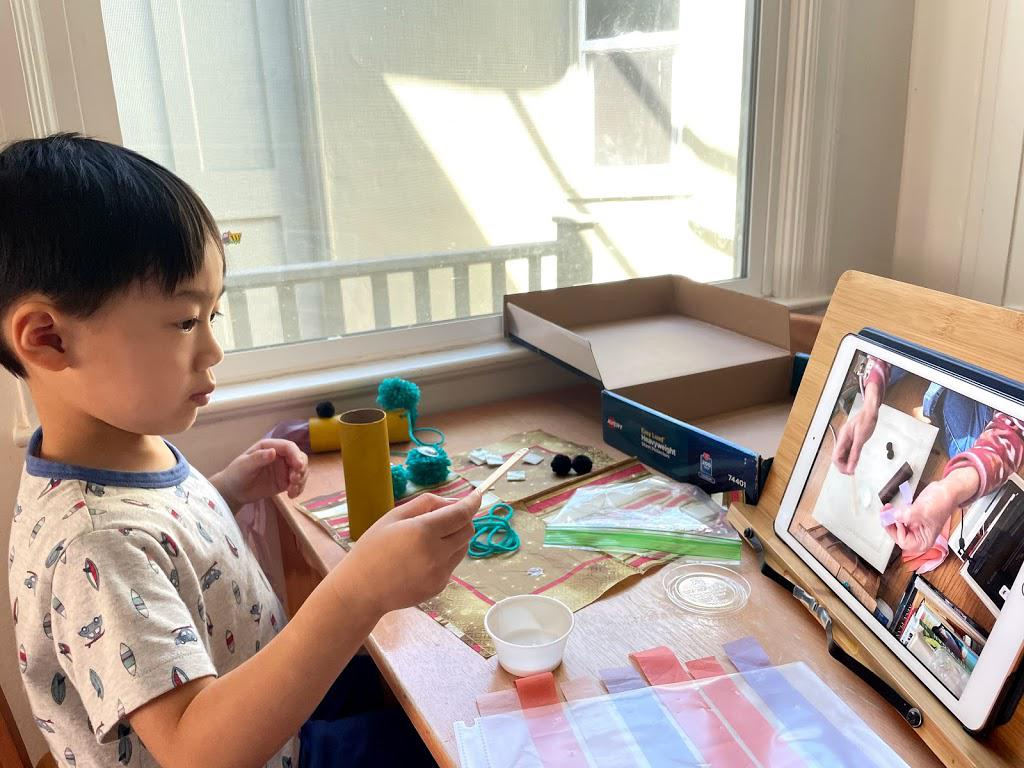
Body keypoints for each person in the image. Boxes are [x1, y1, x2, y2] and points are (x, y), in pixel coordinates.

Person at [2, 134, 479, 767]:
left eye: (213, 317)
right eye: (183, 321)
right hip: (245, 746)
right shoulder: (95, 543)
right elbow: (199, 752)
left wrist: (226, 489)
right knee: (459, 742)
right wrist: (359, 588)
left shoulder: (124, 449)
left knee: (443, 685)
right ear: (49, 339)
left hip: (265, 698)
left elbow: (161, 550)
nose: (213, 350)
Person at [832, 355, 1024, 557]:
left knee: (967, 451)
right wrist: (869, 405)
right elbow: (893, 336)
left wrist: (947, 493)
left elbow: (1015, 429)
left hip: (989, 379)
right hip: (950, 360)